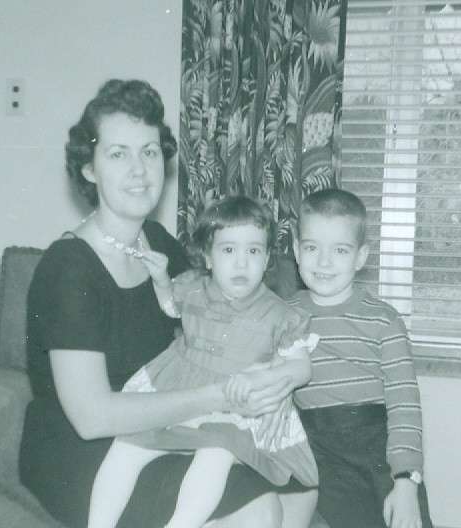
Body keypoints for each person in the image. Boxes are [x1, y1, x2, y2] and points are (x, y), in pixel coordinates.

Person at [19, 78, 313, 528]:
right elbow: (91, 417)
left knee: (301, 488)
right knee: (257, 509)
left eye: (150, 152)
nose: (139, 170)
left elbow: (221, 327)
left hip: (166, 424)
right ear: (89, 169)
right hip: (85, 450)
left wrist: (269, 381)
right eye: (118, 154)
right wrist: (218, 397)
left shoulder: (159, 243)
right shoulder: (68, 269)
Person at [87, 195, 320, 528]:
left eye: (254, 251)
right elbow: (171, 307)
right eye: (229, 250)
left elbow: (302, 367)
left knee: (217, 452)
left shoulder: (280, 315)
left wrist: (264, 379)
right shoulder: (193, 287)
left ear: (268, 257)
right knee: (126, 446)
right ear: (208, 257)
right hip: (180, 391)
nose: (241, 263)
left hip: (235, 409)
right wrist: (161, 280)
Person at [289, 188, 434, 528]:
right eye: (311, 248)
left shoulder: (384, 320)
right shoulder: (281, 315)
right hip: (314, 453)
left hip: (377, 454)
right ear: (296, 250)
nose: (324, 262)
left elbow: (404, 406)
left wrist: (405, 481)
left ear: (360, 257)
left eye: (340, 250)